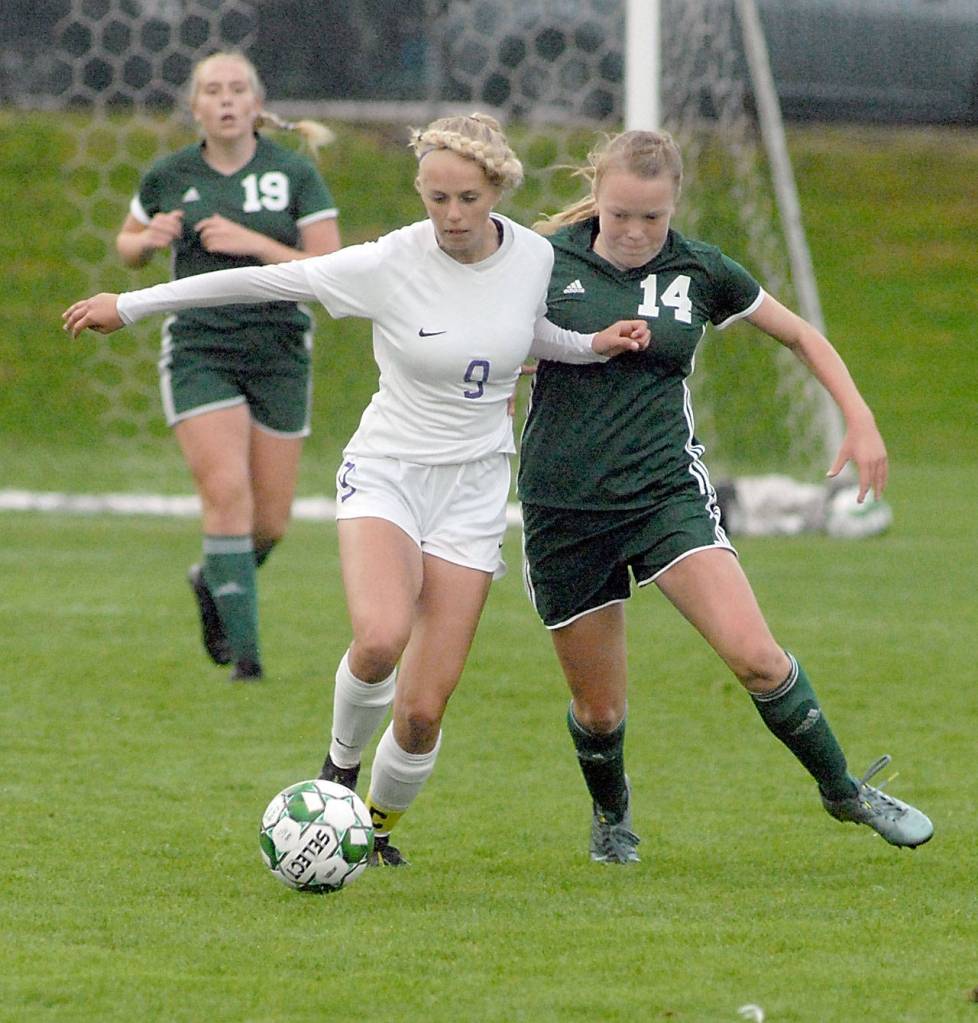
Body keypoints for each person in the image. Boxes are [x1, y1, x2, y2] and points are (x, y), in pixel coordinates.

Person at [63, 113, 651, 866]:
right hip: (388, 470)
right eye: (435, 198)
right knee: (379, 638)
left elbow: (517, 334)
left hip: (473, 492)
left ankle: (369, 831)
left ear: (496, 190)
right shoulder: (390, 262)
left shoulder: (534, 259)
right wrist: (133, 304)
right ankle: (336, 770)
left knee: (423, 709)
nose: (450, 216)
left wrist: (589, 345)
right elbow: (264, 278)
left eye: (467, 198)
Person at [519, 129, 933, 864]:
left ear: (676, 202)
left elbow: (800, 335)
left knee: (758, 658)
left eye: (653, 216)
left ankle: (844, 790)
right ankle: (611, 813)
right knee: (600, 708)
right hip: (565, 505)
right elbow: (487, 344)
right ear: (598, 197)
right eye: (621, 215)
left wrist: (859, 416)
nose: (637, 231)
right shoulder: (540, 262)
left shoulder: (699, 269)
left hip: (664, 494)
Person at [115, 51, 341, 682]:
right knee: (227, 496)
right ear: (196, 106)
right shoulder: (170, 174)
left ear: (255, 104)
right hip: (199, 349)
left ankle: (213, 577)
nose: (224, 99)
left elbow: (329, 269)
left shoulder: (292, 173)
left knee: (270, 522)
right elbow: (127, 246)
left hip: (278, 353)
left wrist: (256, 246)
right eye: (212, 90)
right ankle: (248, 663)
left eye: (237, 88)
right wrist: (147, 241)